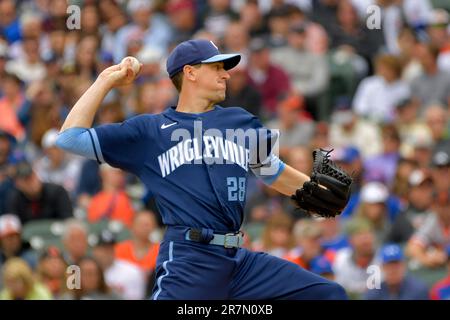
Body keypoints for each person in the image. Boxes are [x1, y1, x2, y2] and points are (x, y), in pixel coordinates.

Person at [56, 39, 348, 300]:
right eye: (217, 67)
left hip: (239, 262)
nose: (226, 74)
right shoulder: (149, 131)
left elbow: (270, 170)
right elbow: (70, 138)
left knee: (328, 294)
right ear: (190, 72)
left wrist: (311, 187)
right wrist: (106, 80)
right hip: (189, 260)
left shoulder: (241, 122)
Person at [6, 161, 73, 224]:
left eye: (33, 176)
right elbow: (13, 228)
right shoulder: (15, 199)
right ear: (18, 184)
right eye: (26, 180)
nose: (32, 182)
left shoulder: (57, 192)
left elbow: (68, 220)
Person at [93, 230, 147, 300]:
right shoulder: (84, 269)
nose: (107, 252)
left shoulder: (132, 272)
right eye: (103, 248)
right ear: (95, 250)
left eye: (110, 248)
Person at [364, 244, 429, 300]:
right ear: (382, 267)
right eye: (389, 265)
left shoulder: (418, 289)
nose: (393, 270)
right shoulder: (373, 294)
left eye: (396, 265)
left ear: (403, 266)